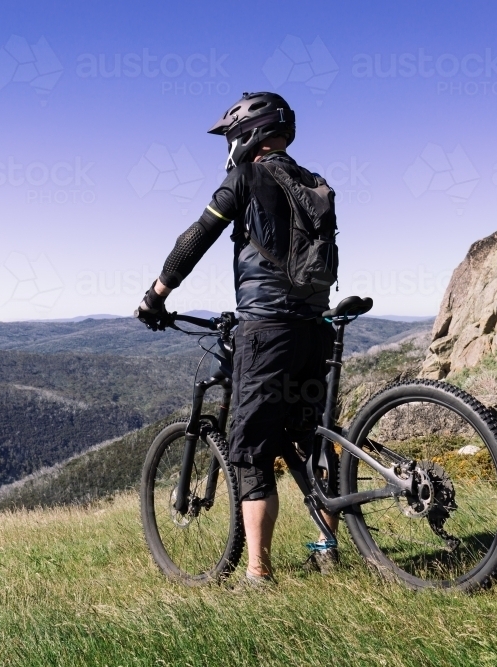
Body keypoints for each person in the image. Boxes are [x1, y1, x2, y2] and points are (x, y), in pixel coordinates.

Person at [135, 91, 339, 585]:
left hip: (265, 332)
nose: (227, 144)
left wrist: (156, 294)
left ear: (247, 134)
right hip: (316, 329)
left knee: (249, 450)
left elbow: (196, 237)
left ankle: (257, 573)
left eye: (229, 135)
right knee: (311, 439)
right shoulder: (314, 182)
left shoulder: (244, 177)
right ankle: (327, 547)